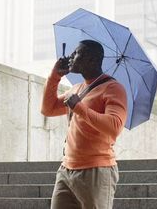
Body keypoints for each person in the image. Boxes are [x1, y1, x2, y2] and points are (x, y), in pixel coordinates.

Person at [41, 40, 128, 209]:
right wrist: (55, 76)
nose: (72, 56)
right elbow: (48, 109)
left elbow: (115, 126)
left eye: (77, 52)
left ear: (92, 59)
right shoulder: (76, 89)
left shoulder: (113, 88)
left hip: (96, 170)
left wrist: (79, 108)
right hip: (66, 169)